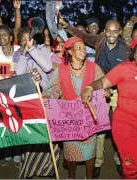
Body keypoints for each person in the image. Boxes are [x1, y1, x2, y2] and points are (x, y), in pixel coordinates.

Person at [81, 35, 137, 179]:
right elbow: (102, 82)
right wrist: (90, 87)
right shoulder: (124, 68)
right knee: (134, 166)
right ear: (134, 54)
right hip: (127, 125)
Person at [59, 17, 129, 178]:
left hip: (119, 91)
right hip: (98, 88)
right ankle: (97, 162)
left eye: (115, 32)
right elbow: (82, 36)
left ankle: (119, 160)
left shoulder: (126, 48)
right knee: (99, 128)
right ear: (104, 31)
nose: (111, 35)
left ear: (119, 32)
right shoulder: (99, 40)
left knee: (120, 126)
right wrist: (67, 25)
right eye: (108, 31)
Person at [43, 37, 105, 179]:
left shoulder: (93, 67)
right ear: (70, 51)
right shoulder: (61, 70)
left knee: (90, 151)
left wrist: (105, 91)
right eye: (79, 48)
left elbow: (103, 83)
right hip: (69, 118)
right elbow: (53, 90)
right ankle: (72, 176)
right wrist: (47, 98)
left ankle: (89, 177)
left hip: (89, 116)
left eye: (84, 48)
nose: (83, 50)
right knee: (70, 152)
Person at [12, 27, 60, 179]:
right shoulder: (18, 54)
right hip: (29, 101)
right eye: (23, 40)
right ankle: (29, 171)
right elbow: (20, 75)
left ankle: (50, 169)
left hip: (45, 97)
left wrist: (32, 49)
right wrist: (25, 53)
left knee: (49, 136)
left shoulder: (42, 50)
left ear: (34, 39)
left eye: (29, 39)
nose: (26, 42)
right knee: (32, 137)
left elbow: (47, 67)